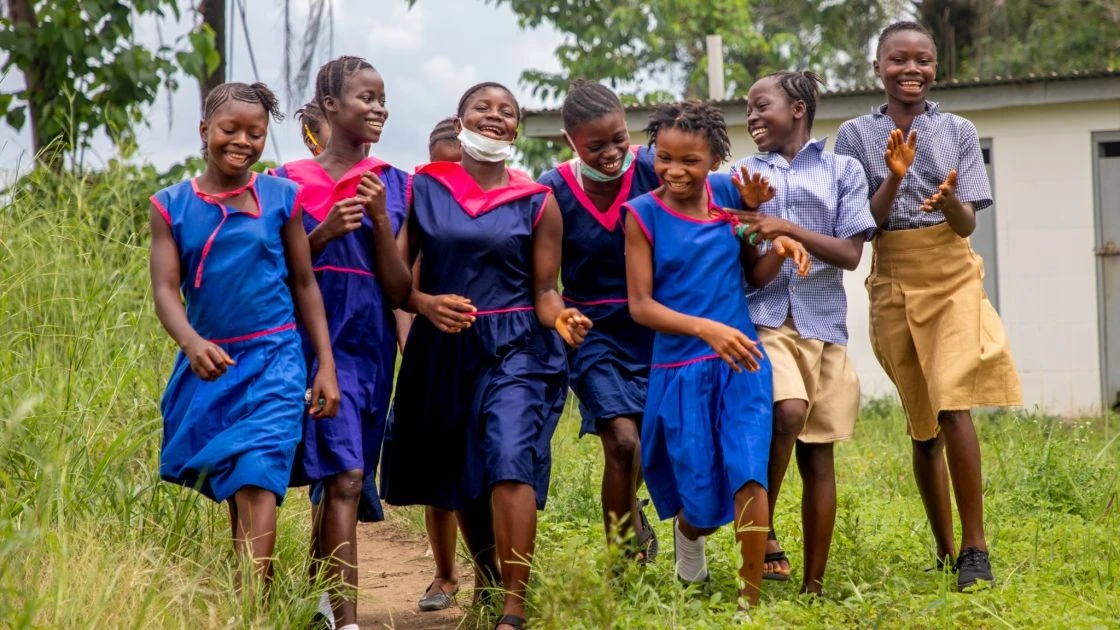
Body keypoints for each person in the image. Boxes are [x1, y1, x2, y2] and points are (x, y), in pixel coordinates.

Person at [835, 20, 1022, 591]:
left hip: (952, 274)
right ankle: (945, 550)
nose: (910, 69)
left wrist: (949, 204)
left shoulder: (959, 130)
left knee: (953, 398)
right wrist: (892, 179)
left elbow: (969, 220)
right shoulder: (853, 137)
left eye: (921, 60)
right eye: (897, 60)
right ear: (878, 68)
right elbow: (863, 226)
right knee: (924, 421)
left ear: (935, 68)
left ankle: (975, 549)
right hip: (893, 276)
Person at [380, 82, 570, 630]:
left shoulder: (537, 200)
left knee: (511, 457)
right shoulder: (422, 190)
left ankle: (514, 604)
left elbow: (545, 291)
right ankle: (485, 578)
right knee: (462, 471)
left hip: (517, 345)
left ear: (515, 129)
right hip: (446, 345)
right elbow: (395, 282)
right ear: (459, 121)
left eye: (506, 111)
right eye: (482, 107)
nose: (495, 116)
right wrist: (422, 302)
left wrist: (562, 317)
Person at [149, 81, 340, 595]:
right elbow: (166, 291)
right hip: (212, 362)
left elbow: (304, 284)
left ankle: (254, 608)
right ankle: (251, 594)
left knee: (259, 472)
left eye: (255, 134)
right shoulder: (171, 206)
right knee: (237, 478)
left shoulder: (281, 197)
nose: (243, 141)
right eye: (230, 129)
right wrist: (191, 343)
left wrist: (324, 364)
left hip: (277, 358)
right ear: (204, 130)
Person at [623, 99, 810, 608]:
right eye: (665, 158)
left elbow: (754, 270)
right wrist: (708, 330)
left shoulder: (730, 193)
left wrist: (775, 239)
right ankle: (690, 538)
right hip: (681, 367)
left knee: (750, 471)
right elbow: (641, 306)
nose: (675, 170)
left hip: (742, 361)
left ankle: (748, 601)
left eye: (690, 161)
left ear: (713, 161)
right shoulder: (642, 215)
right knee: (701, 503)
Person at [272, 56, 412, 629]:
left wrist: (380, 220)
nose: (378, 107)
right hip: (314, 339)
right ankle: (349, 620)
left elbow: (401, 287)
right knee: (344, 475)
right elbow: (276, 268)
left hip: (371, 341)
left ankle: (320, 601)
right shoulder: (286, 180)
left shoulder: (396, 182)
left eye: (382, 98)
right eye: (365, 97)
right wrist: (323, 231)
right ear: (331, 105)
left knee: (346, 474)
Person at [729, 71, 877, 594]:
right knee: (787, 409)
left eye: (760, 105)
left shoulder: (844, 170)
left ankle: (813, 584)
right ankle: (763, 532)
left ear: (797, 108)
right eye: (747, 108)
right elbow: (748, 263)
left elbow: (851, 254)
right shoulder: (742, 171)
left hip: (824, 325)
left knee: (818, 453)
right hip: (766, 318)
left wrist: (789, 228)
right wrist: (752, 215)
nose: (751, 116)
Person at [536, 79, 662, 563]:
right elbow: (545, 284)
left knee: (651, 439)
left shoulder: (653, 170)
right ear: (571, 142)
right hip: (590, 331)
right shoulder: (553, 191)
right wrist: (561, 316)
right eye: (596, 145)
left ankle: (633, 509)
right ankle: (623, 557)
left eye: (618, 139)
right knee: (623, 440)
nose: (611, 153)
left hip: (654, 323)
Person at [415, 115, 464, 614]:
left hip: (492, 342)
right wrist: (413, 337)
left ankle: (492, 575)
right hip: (433, 343)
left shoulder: (499, 194)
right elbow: (405, 278)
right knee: (442, 466)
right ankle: (445, 573)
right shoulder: (418, 194)